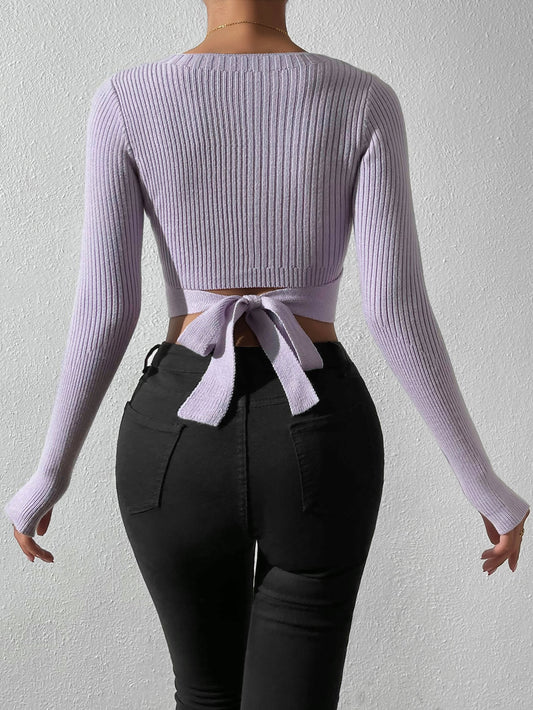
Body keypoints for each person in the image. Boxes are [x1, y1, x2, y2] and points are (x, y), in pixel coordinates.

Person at [5, 1, 530, 708]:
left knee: (204, 695)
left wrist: (49, 472)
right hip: (317, 428)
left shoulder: (127, 99)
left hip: (176, 434)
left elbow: (108, 312)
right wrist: (481, 483)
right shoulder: (362, 99)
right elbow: (394, 313)